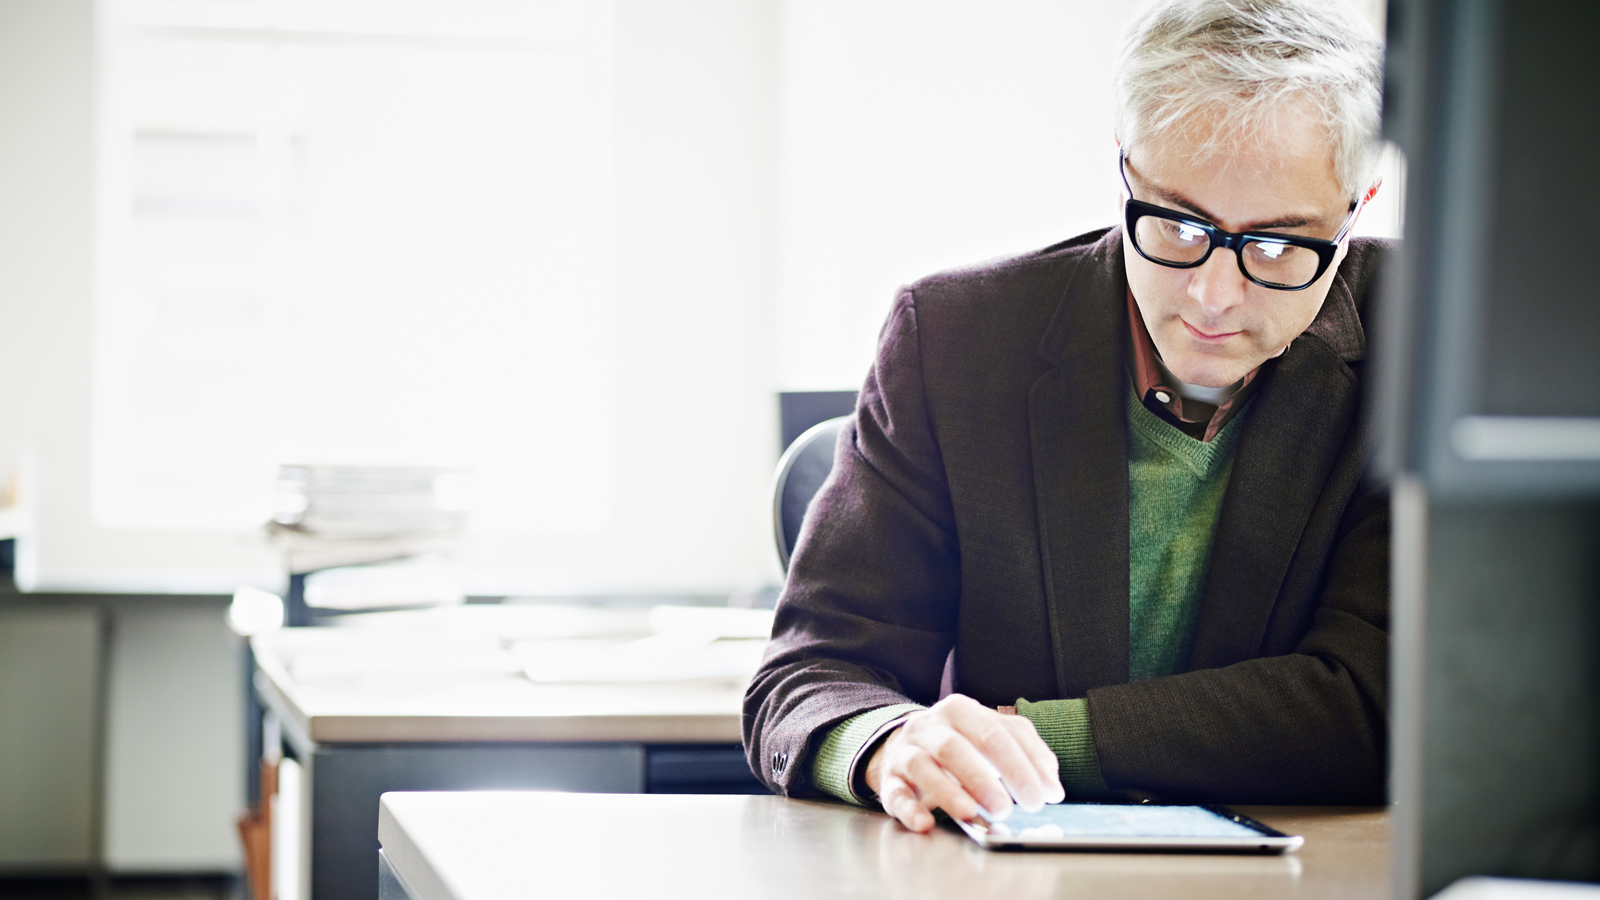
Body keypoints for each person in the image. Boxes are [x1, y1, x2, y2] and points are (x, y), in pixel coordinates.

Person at [743, 0, 1392, 833]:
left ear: (1356, 205)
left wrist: (1030, 742)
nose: (1213, 296)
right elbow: (809, 675)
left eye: (1275, 246)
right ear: (1125, 168)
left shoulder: (1429, 351)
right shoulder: (953, 341)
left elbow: (1379, 709)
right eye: (1178, 225)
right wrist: (889, 744)